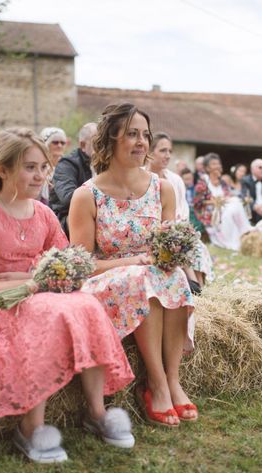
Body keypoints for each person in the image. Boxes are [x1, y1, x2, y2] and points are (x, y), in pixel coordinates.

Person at [0, 128, 135, 464]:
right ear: (3, 170)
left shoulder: (44, 214)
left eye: (42, 168)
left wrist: (31, 280)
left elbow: (71, 269)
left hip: (33, 291)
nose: (39, 175)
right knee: (43, 313)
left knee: (88, 305)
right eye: (29, 167)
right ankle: (31, 427)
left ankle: (97, 412)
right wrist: (29, 286)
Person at [69, 103, 197, 428]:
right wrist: (133, 261)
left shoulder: (162, 188)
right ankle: (154, 383)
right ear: (111, 139)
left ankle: (172, 380)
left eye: (145, 135)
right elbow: (81, 266)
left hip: (151, 275)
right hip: (106, 279)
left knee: (173, 276)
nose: (142, 142)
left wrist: (173, 253)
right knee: (146, 277)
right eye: (132, 134)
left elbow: (166, 248)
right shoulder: (87, 196)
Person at [147, 132, 214, 287]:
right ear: (150, 153)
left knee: (196, 246)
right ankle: (193, 287)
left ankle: (198, 288)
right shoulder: (142, 178)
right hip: (154, 231)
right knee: (175, 245)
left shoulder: (175, 179)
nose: (168, 155)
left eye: (170, 151)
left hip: (176, 227)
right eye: (163, 150)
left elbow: (183, 209)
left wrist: (180, 230)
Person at [193, 152, 253, 251]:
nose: (217, 166)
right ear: (207, 168)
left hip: (225, 209)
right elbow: (198, 203)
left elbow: (228, 196)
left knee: (235, 202)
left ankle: (244, 234)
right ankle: (242, 234)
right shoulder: (202, 183)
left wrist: (227, 200)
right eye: (213, 164)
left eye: (218, 163)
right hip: (211, 214)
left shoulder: (223, 182)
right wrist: (215, 202)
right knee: (233, 206)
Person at [50, 123, 96, 234]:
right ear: (83, 145)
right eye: (97, 143)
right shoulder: (67, 164)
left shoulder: (110, 163)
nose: (104, 147)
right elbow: (68, 198)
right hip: (65, 220)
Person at [39, 127, 68, 205]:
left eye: (63, 143)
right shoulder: (39, 166)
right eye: (55, 142)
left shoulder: (69, 166)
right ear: (46, 144)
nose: (59, 145)